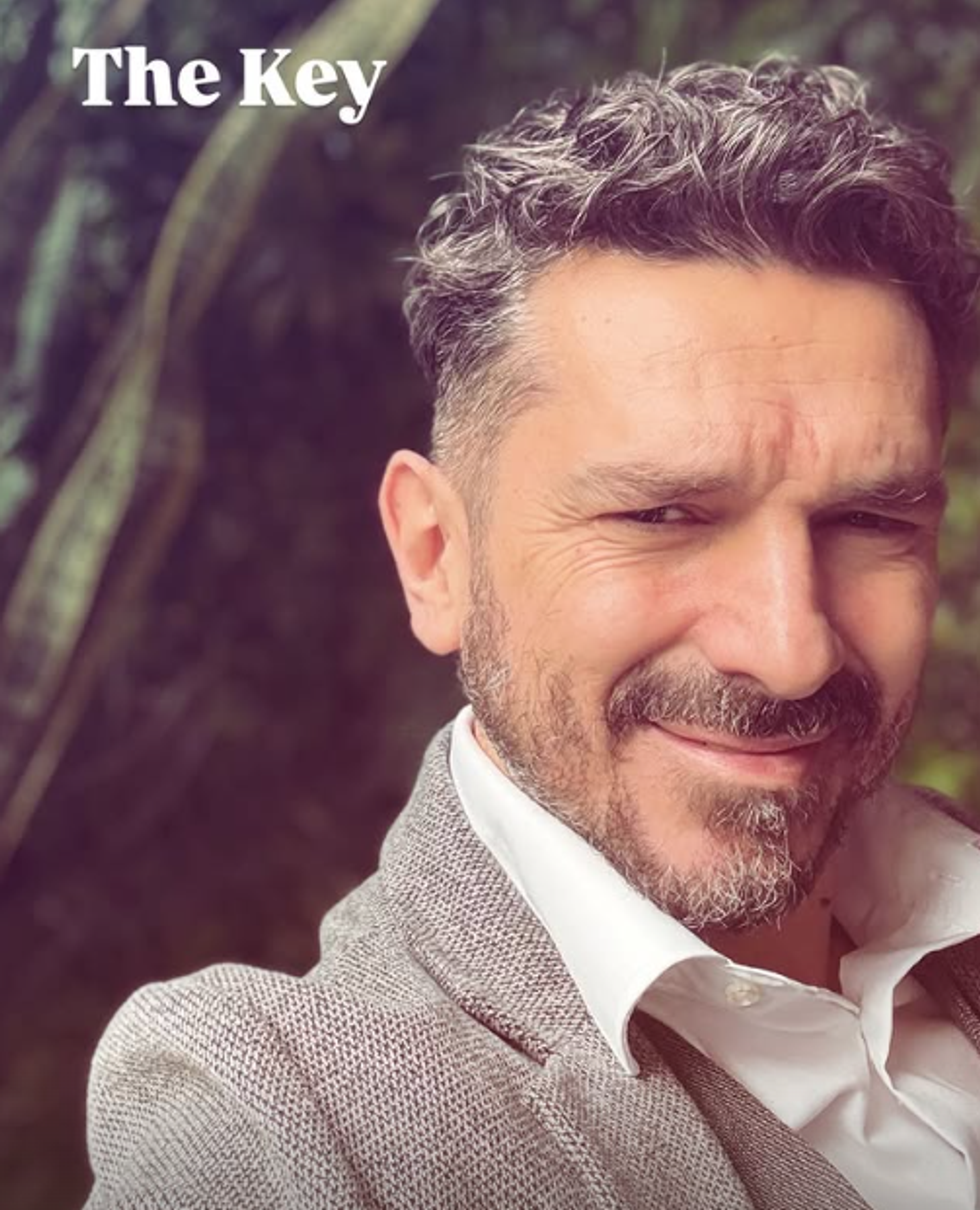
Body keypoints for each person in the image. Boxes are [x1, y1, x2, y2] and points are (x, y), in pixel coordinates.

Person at [85, 59, 980, 1210]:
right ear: (436, 555)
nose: (788, 646)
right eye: (661, 515)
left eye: (868, 522)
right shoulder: (276, 1126)